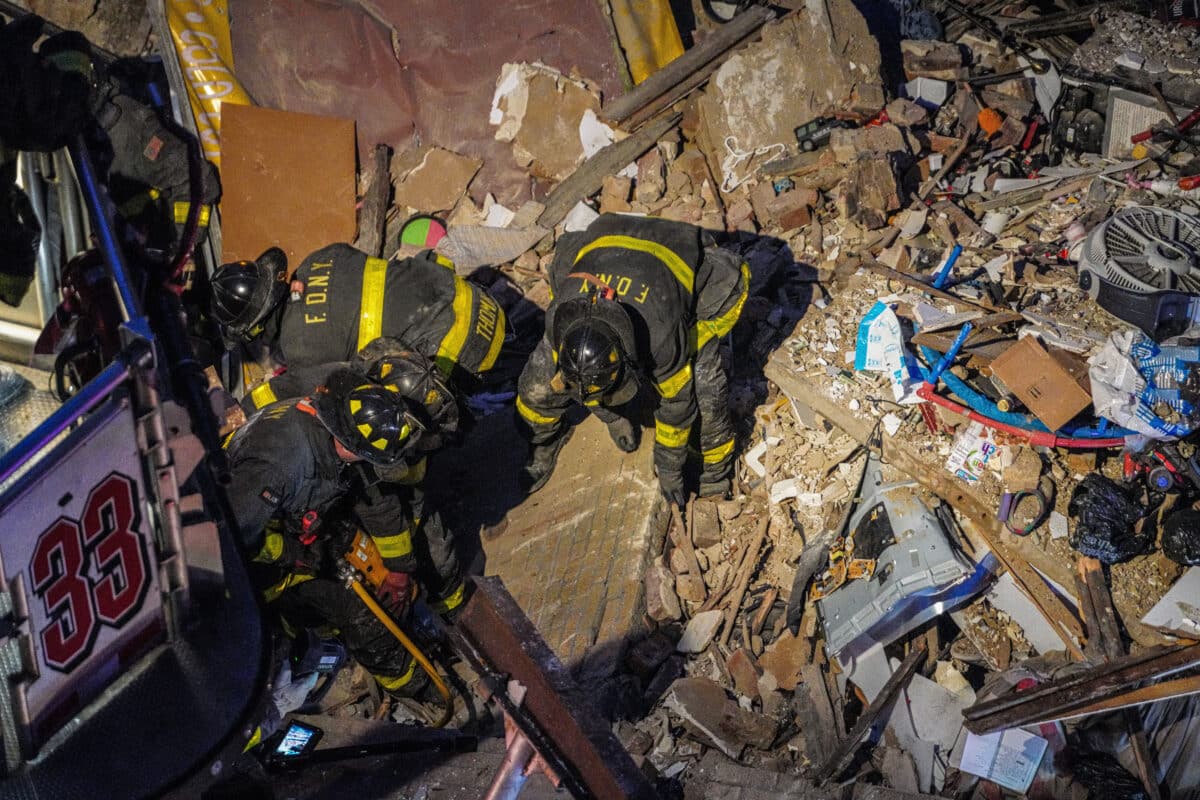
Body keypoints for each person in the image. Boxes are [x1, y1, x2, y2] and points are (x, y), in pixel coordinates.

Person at [224, 365, 458, 696]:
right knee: (362, 619)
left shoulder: (335, 424)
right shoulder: (280, 467)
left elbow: (377, 502)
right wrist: (291, 553)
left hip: (306, 527)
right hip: (264, 569)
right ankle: (421, 690)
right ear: (349, 441)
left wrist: (399, 571)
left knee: (373, 577)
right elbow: (226, 539)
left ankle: (409, 637)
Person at [515, 213, 749, 507]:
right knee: (534, 389)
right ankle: (545, 442)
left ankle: (711, 475)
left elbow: (677, 406)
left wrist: (668, 466)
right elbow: (581, 378)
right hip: (609, 237)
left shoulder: (660, 337)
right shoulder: (561, 318)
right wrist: (612, 417)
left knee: (705, 393)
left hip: (683, 255)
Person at [210, 242, 506, 411]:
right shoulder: (320, 258)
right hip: (480, 301)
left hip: (465, 350)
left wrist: (242, 411)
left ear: (257, 324)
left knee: (373, 419)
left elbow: (289, 388)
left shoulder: (299, 346)